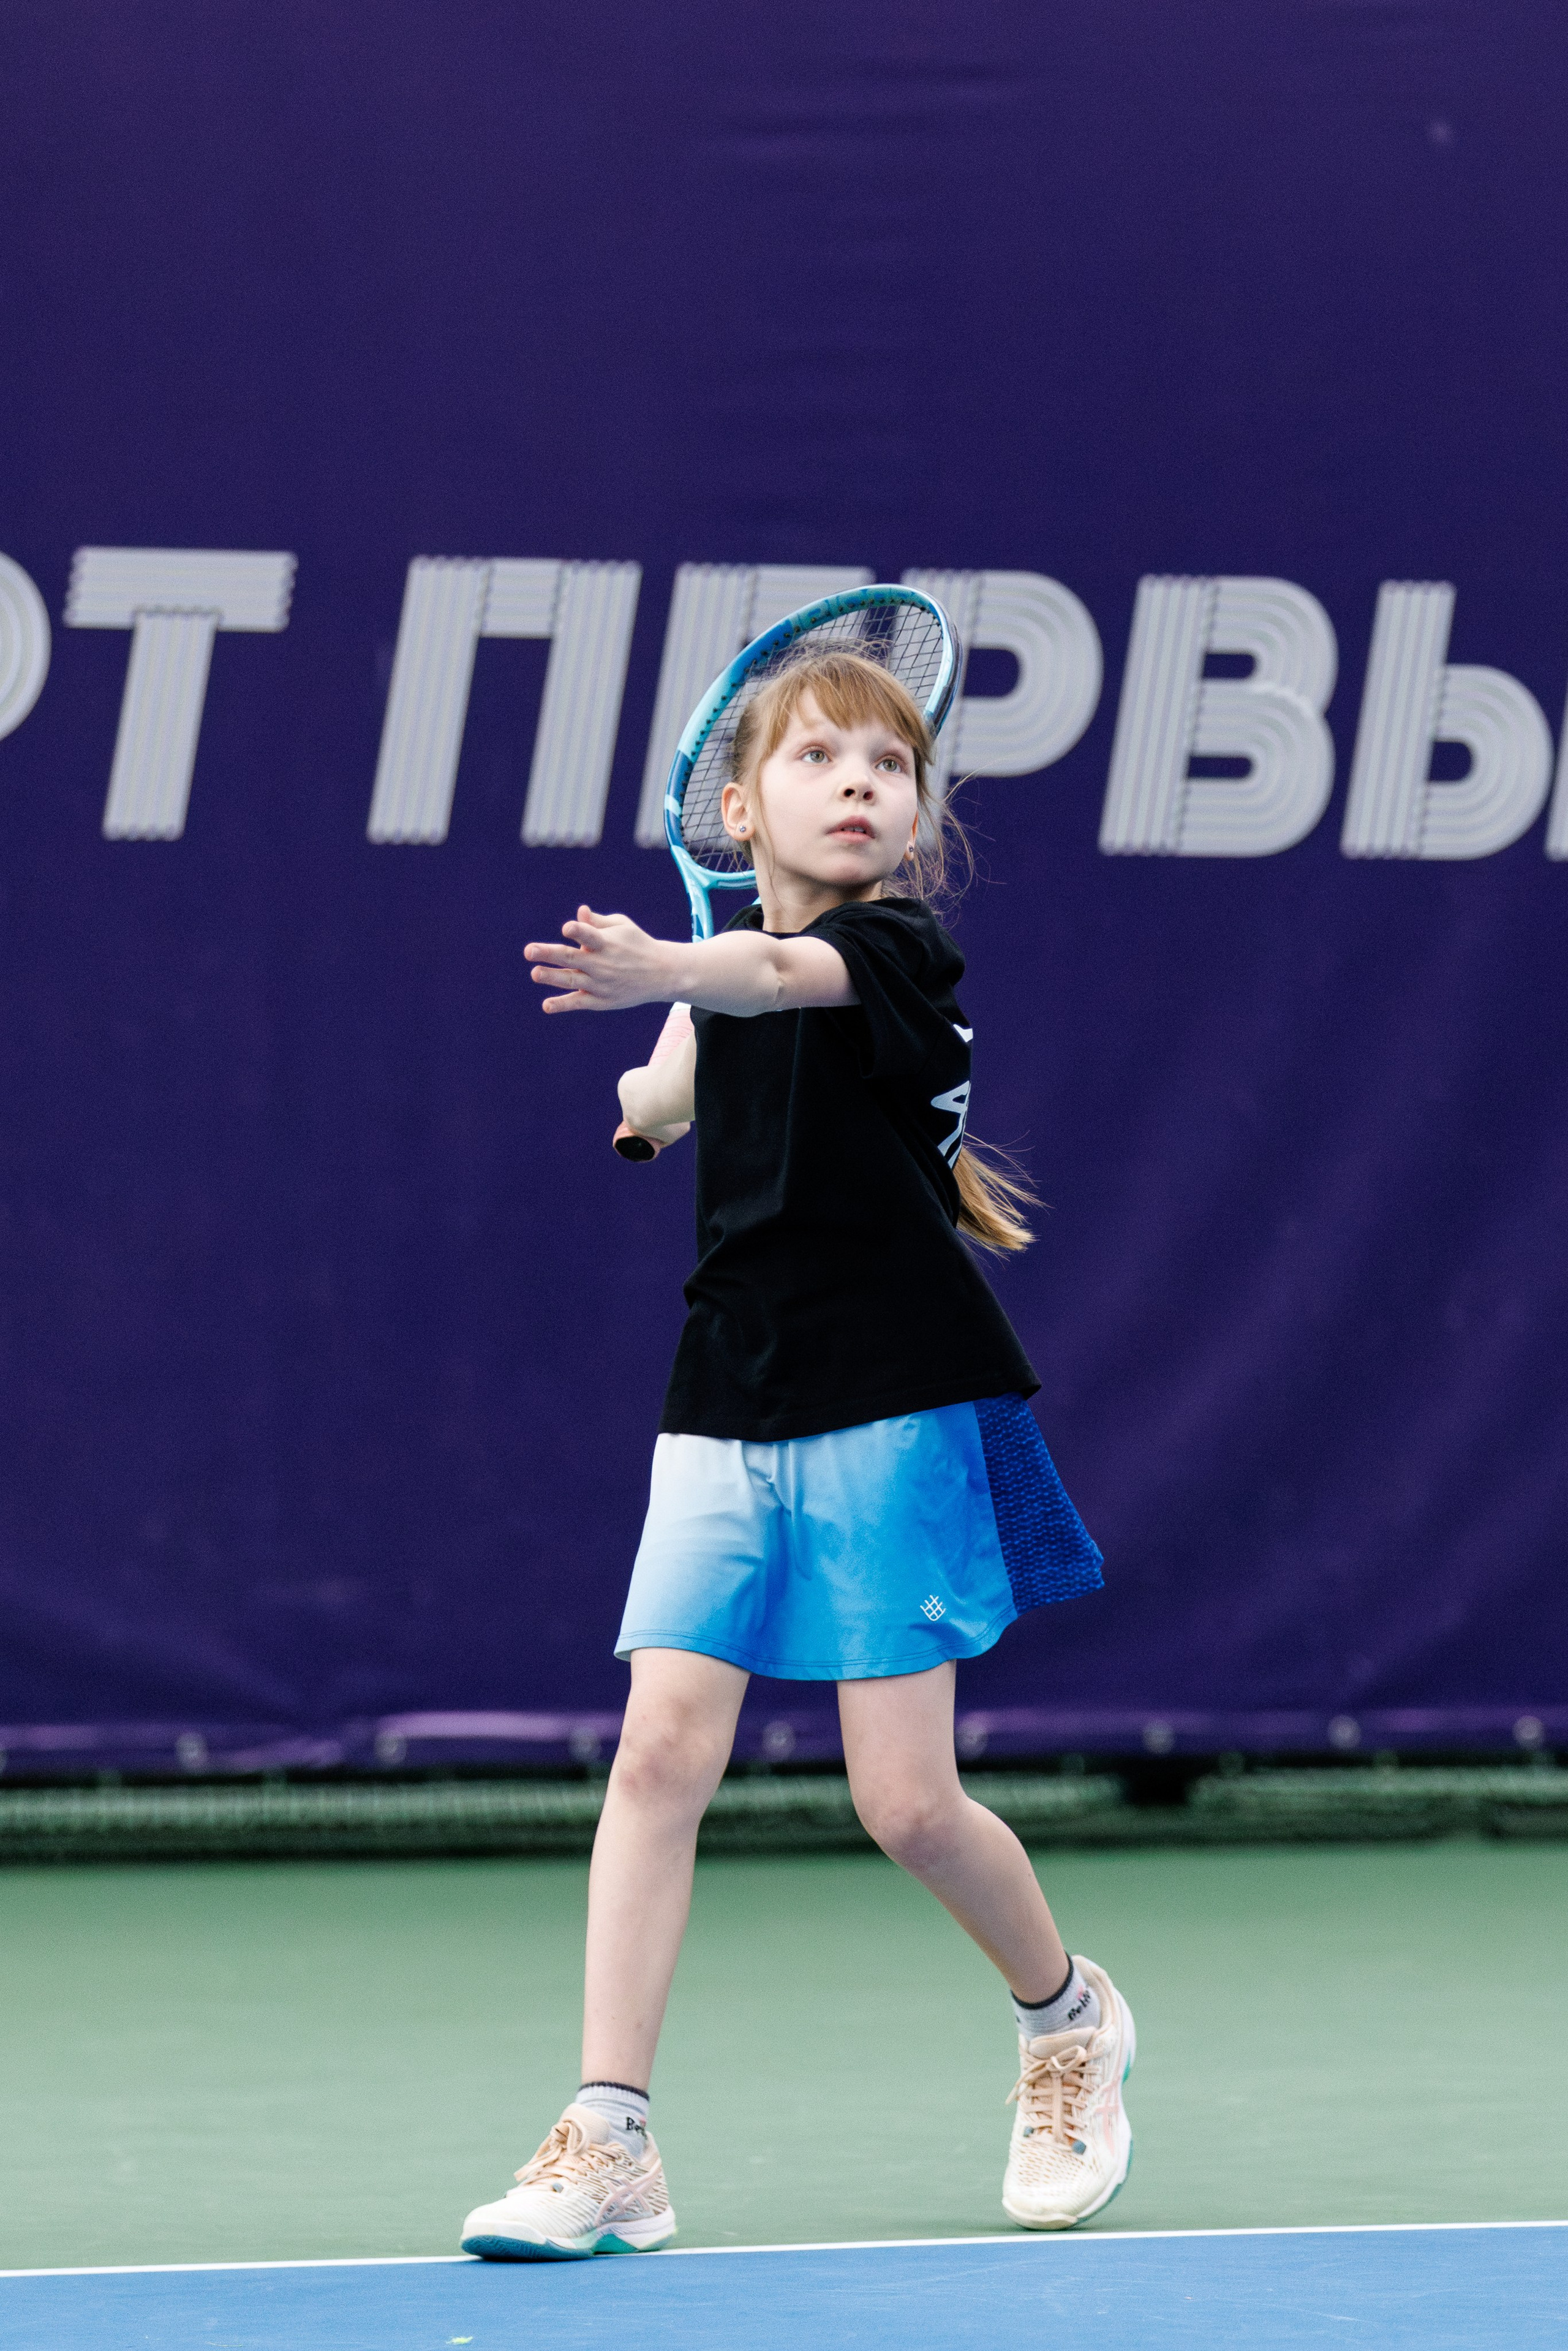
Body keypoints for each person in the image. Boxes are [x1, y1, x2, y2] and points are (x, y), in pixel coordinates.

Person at [459, 650, 1132, 2260]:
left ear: (912, 818)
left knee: (903, 1804)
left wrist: (670, 974)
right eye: (821, 757)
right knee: (658, 1753)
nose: (858, 783)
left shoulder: (894, 951)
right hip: (722, 1393)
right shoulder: (738, 965)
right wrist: (648, 1094)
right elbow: (694, 1066)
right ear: (739, 805)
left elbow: (765, 990)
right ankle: (610, 2135)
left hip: (894, 1395)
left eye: (888, 766)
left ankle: (1067, 2017)